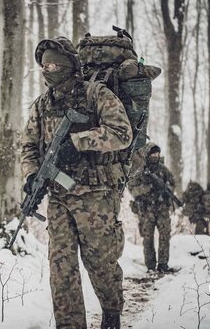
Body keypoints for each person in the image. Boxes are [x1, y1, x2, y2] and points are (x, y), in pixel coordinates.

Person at [20, 36, 133, 329]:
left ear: (71, 64)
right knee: (61, 270)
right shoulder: (42, 105)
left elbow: (122, 133)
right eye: (45, 65)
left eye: (56, 63)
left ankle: (111, 313)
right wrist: (31, 175)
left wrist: (79, 142)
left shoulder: (97, 95)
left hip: (96, 195)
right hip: (59, 197)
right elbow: (29, 147)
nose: (50, 69)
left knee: (101, 264)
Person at [128, 143, 175, 273]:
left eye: (157, 154)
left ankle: (163, 264)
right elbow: (132, 189)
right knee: (148, 238)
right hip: (146, 210)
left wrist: (166, 191)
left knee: (165, 236)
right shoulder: (139, 170)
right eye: (153, 154)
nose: (155, 156)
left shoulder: (163, 170)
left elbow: (172, 184)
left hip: (162, 209)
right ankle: (150, 266)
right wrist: (147, 188)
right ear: (147, 155)